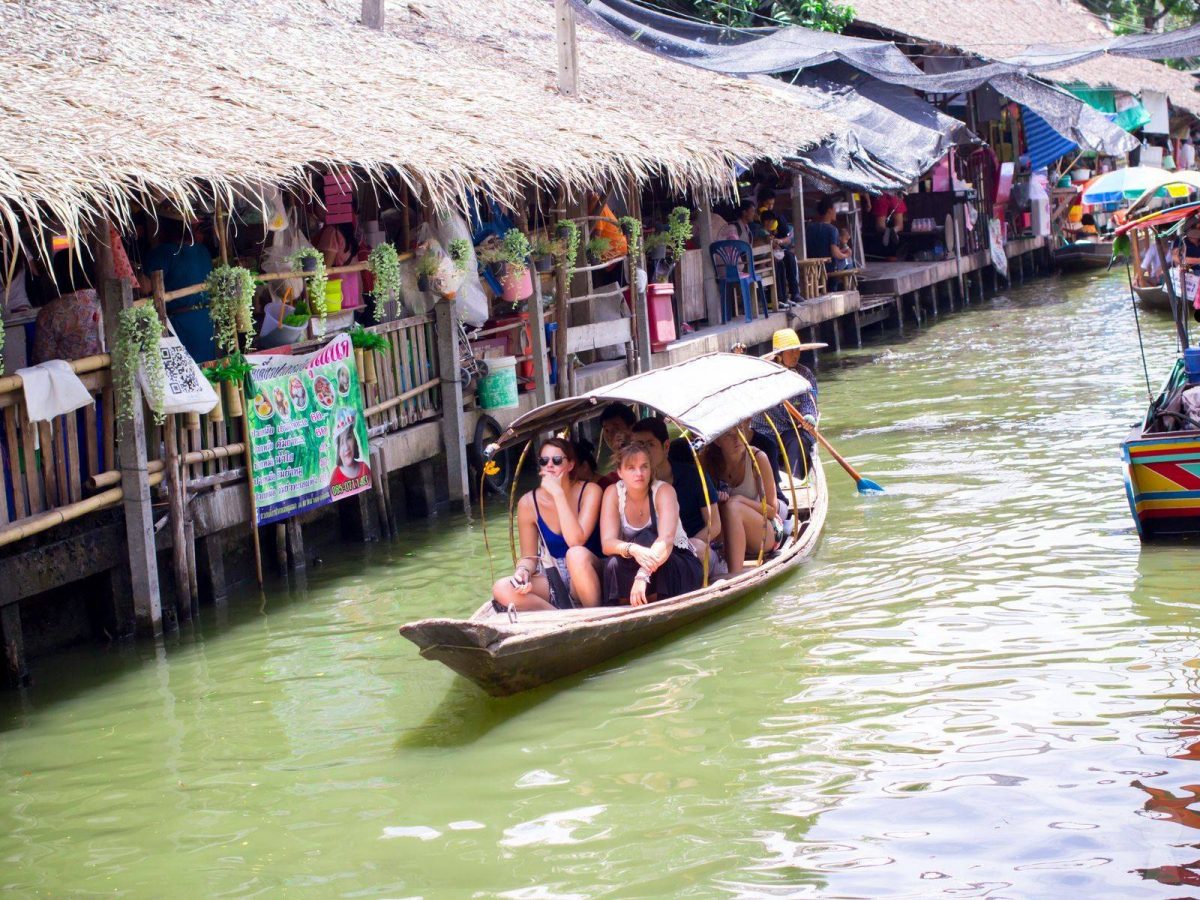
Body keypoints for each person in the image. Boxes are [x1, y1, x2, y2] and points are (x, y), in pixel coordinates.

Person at [492, 437, 603, 612]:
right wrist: (523, 572)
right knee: (501, 587)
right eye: (544, 461)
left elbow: (576, 541)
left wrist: (558, 495)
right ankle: (557, 614)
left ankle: (595, 615)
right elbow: (529, 557)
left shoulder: (590, 491)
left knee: (575, 555)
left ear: (570, 465)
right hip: (554, 576)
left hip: (589, 570)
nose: (550, 465)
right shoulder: (528, 502)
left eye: (557, 461)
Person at [600, 441, 703, 606]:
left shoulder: (664, 491)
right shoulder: (613, 493)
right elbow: (607, 543)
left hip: (671, 559)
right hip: (636, 558)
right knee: (612, 563)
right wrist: (633, 549)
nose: (638, 473)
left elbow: (666, 540)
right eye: (631, 468)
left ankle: (652, 600)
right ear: (620, 472)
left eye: (644, 467)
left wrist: (643, 575)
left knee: (648, 538)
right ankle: (628, 604)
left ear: (650, 469)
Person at [703, 423, 779, 575]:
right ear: (718, 442)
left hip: (765, 531)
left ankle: (735, 574)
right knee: (727, 508)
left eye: (740, 431)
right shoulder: (708, 462)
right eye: (729, 436)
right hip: (727, 534)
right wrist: (718, 501)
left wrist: (738, 500)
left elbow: (772, 510)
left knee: (733, 507)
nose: (737, 439)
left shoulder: (758, 458)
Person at [142, 212, 216, 362]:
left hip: (181, 323)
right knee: (207, 368)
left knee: (185, 369)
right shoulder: (203, 250)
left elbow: (145, 287)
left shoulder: (163, 253)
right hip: (205, 320)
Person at [750, 328, 823, 479]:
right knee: (759, 448)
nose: (796, 355)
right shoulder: (763, 376)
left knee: (797, 442)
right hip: (766, 430)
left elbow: (808, 400)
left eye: (797, 350)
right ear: (779, 356)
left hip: (793, 429)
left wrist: (808, 415)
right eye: (790, 351)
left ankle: (795, 480)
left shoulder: (805, 375)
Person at [32, 250, 104, 364]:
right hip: (111, 374)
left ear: (58, 275)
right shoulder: (106, 302)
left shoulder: (50, 313)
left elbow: (43, 360)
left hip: (69, 379)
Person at [313, 220, 363, 309]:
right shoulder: (348, 230)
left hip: (338, 294)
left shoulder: (332, 232)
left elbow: (325, 267)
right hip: (353, 291)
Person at [804, 197, 852, 273]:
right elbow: (835, 253)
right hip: (827, 269)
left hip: (812, 268)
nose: (836, 212)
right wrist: (847, 255)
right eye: (834, 209)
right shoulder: (832, 229)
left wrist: (841, 250)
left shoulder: (810, 228)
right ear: (829, 211)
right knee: (849, 264)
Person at [596, 402, 636, 487]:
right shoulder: (608, 482)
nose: (611, 435)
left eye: (616, 428)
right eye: (606, 430)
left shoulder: (646, 457)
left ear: (631, 428)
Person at [329, 419, 371, 489]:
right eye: (341, 443)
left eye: (348, 438)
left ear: (354, 440)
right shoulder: (335, 477)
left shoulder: (364, 467)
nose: (346, 447)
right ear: (338, 451)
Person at [870, 191, 907, 259]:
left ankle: (886, 230)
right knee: (900, 225)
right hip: (895, 195)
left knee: (880, 226)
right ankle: (894, 230)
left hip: (880, 195)